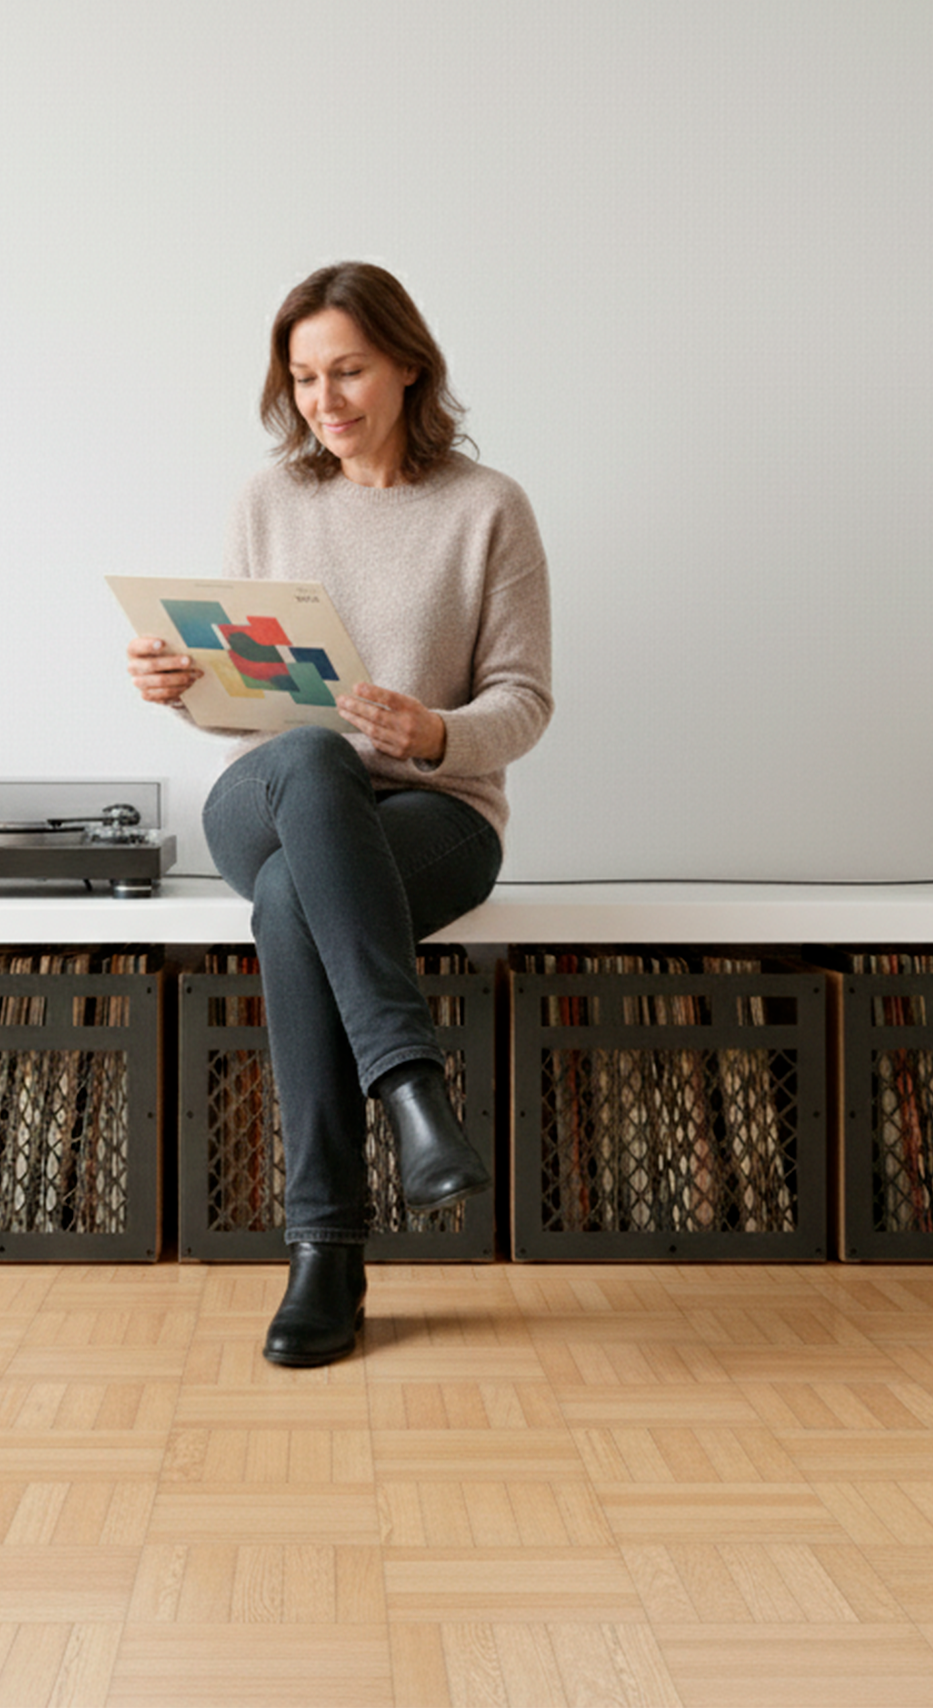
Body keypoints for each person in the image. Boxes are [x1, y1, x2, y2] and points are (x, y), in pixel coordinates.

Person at [127, 262, 553, 1366]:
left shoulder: (486, 507)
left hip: (431, 813)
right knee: (310, 753)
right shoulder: (269, 500)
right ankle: (410, 1089)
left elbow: (523, 697)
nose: (325, 397)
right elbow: (247, 712)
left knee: (288, 902)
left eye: (347, 369)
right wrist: (185, 688)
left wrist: (435, 734)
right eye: (305, 376)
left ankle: (325, 1249)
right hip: (276, 793)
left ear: (407, 364)